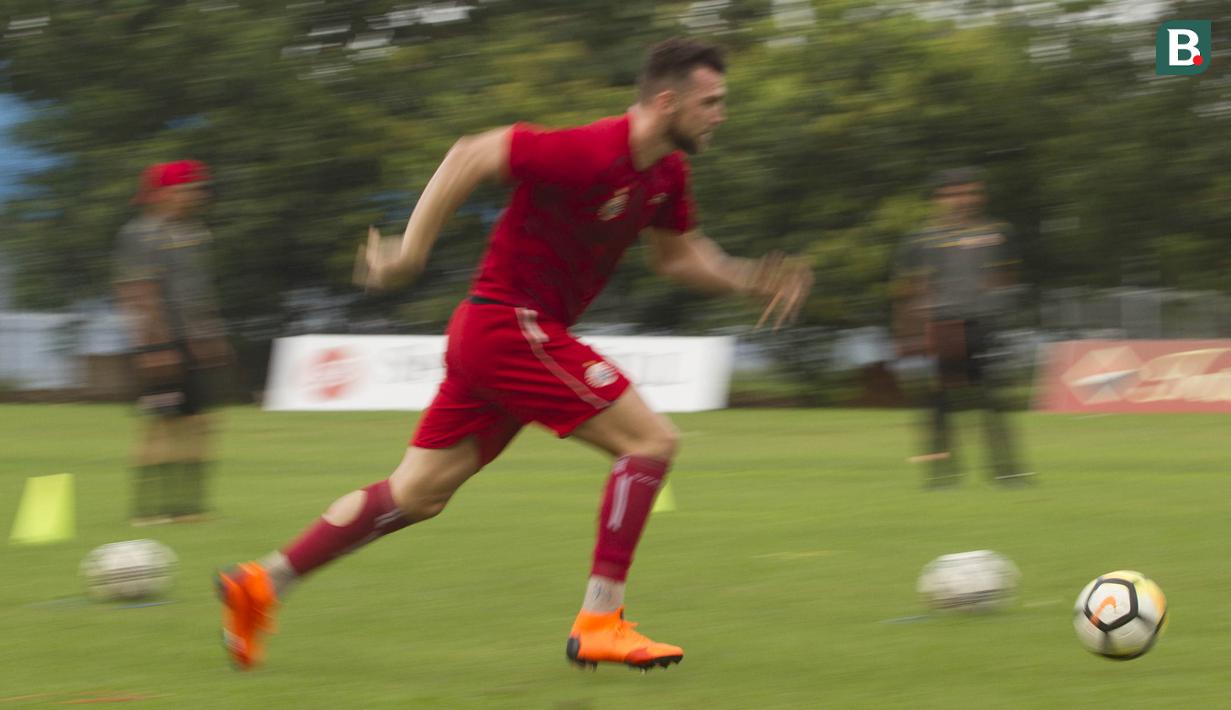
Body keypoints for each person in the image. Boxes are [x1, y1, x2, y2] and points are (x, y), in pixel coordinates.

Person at [216, 37, 813, 672]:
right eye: (711, 102)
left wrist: (751, 278)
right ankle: (600, 621)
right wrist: (410, 254)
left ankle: (263, 581)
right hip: (510, 326)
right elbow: (470, 153)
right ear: (668, 102)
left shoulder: (666, 174)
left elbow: (678, 256)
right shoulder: (589, 150)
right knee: (650, 442)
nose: (721, 114)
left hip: (494, 335)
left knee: (416, 494)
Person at [891, 167, 1032, 489]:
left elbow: (1006, 278)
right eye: (954, 194)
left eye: (970, 192)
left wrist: (1002, 316)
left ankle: (1007, 471)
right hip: (943, 325)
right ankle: (942, 475)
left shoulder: (997, 233)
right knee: (940, 404)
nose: (963, 200)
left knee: (994, 400)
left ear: (980, 195)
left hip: (985, 325)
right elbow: (908, 289)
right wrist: (906, 335)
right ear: (939, 199)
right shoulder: (922, 240)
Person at [113, 160, 232, 525]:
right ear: (165, 193)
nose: (196, 195)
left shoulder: (195, 232)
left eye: (198, 188)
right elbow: (136, 292)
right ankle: (147, 510)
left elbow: (198, 293)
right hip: (160, 346)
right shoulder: (141, 234)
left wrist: (211, 335)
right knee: (161, 424)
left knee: (198, 423)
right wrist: (154, 346)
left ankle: (187, 507)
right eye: (188, 189)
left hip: (192, 342)